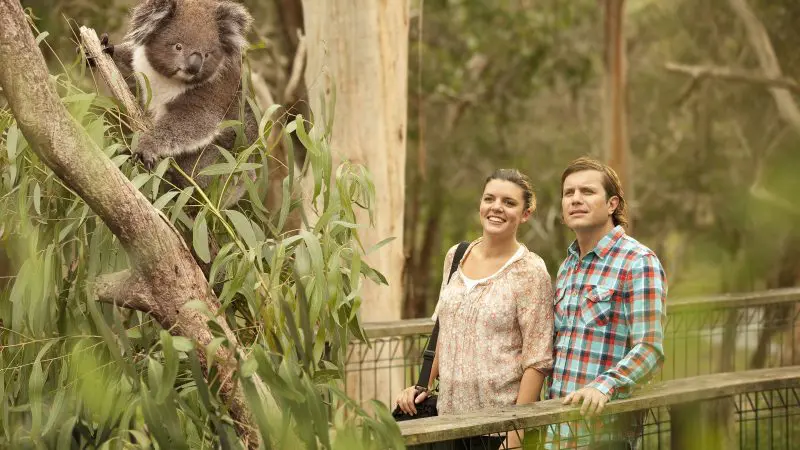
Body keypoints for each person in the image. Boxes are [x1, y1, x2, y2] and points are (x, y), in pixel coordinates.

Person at [395, 169, 554, 448]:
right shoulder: (456, 255)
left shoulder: (531, 271)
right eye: (489, 198)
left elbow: (537, 360)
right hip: (447, 421)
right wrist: (422, 384)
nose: (496, 207)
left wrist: (515, 434)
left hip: (497, 429)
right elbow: (444, 330)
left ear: (526, 214)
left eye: (509, 202)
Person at [549, 157, 667, 449]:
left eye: (587, 192)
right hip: (556, 431)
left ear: (612, 204)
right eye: (568, 193)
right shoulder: (567, 267)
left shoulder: (638, 262)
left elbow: (649, 348)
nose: (575, 199)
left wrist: (604, 385)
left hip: (605, 433)